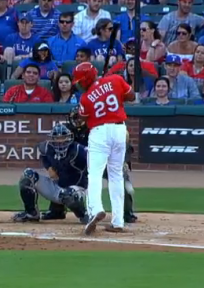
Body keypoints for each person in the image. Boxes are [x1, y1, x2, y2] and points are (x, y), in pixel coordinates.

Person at [74, 61, 137, 235]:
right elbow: (131, 96)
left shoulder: (86, 98)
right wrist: (111, 90)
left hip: (99, 131)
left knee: (94, 174)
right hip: (119, 129)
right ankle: (118, 222)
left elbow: (82, 118)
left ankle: (95, 210)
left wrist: (98, 92)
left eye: (80, 81)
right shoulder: (115, 79)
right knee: (116, 175)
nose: (78, 84)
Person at [11, 124, 88, 224]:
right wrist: (49, 167)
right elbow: (43, 154)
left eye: (63, 137)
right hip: (57, 188)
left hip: (78, 189)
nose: (60, 141)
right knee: (28, 175)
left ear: (69, 138)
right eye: (57, 138)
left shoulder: (78, 150)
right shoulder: (48, 147)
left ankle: (84, 215)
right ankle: (32, 213)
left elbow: (94, 164)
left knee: (68, 194)